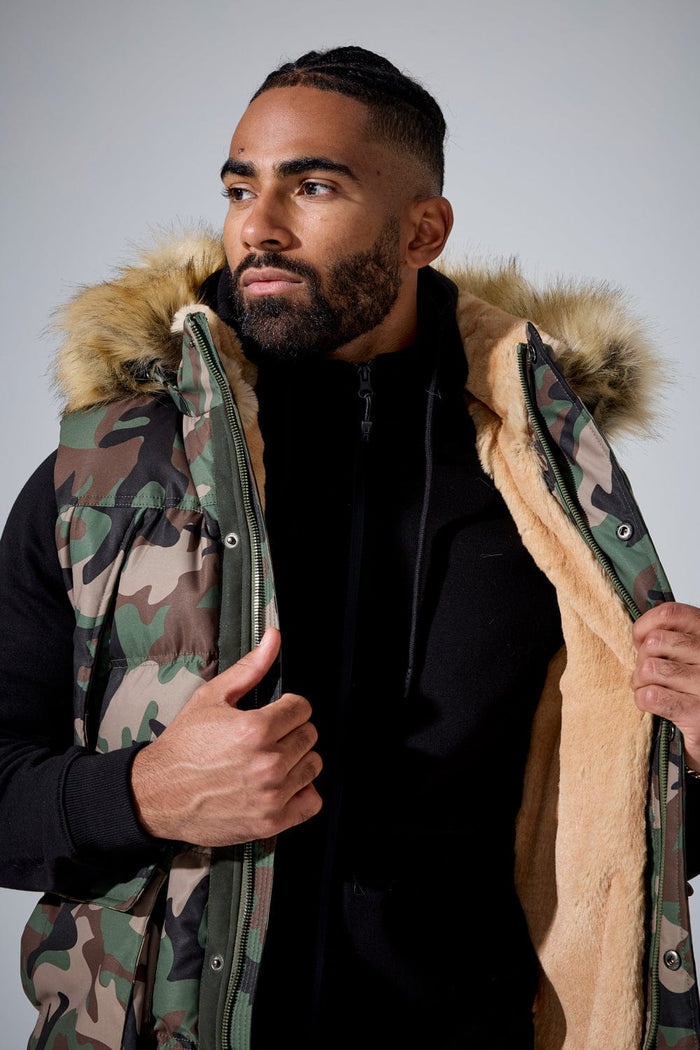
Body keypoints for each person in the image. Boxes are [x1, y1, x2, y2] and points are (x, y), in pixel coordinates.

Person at [2, 44, 700, 1050]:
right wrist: (141, 794)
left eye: (312, 186)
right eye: (239, 188)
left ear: (424, 230)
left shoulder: (554, 493)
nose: (258, 226)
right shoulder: (109, 471)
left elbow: (612, 852)